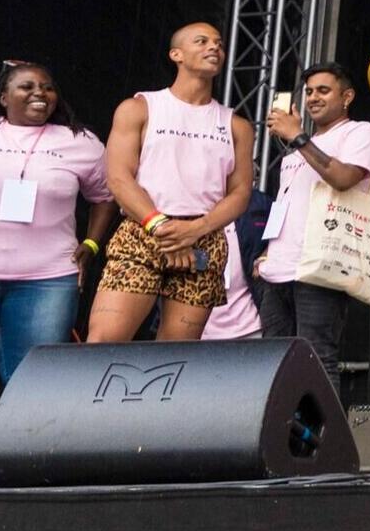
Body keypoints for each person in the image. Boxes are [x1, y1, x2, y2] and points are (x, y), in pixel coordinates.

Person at [0, 61, 118, 471]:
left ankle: (17, 476)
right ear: (3, 97)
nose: (40, 93)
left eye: (48, 86)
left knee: (30, 381)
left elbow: (106, 195)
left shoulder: (79, 141)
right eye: (26, 86)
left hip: (46, 278)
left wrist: (92, 243)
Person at [88, 23, 256, 343]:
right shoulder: (139, 107)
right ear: (176, 54)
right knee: (103, 342)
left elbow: (241, 192)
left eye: (219, 44)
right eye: (202, 41)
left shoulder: (236, 125)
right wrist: (162, 227)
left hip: (202, 238)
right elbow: (118, 177)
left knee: (175, 356)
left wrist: (195, 230)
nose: (214, 48)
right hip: (144, 228)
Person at [252, 62, 370, 378]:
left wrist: (298, 136)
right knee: (275, 365)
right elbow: (286, 203)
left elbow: (343, 178)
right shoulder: (297, 152)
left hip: (320, 267)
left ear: (347, 96)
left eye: (323, 90)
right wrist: (268, 250)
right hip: (278, 270)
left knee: (317, 362)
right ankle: (283, 430)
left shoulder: (359, 132)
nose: (313, 98)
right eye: (309, 92)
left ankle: (325, 430)